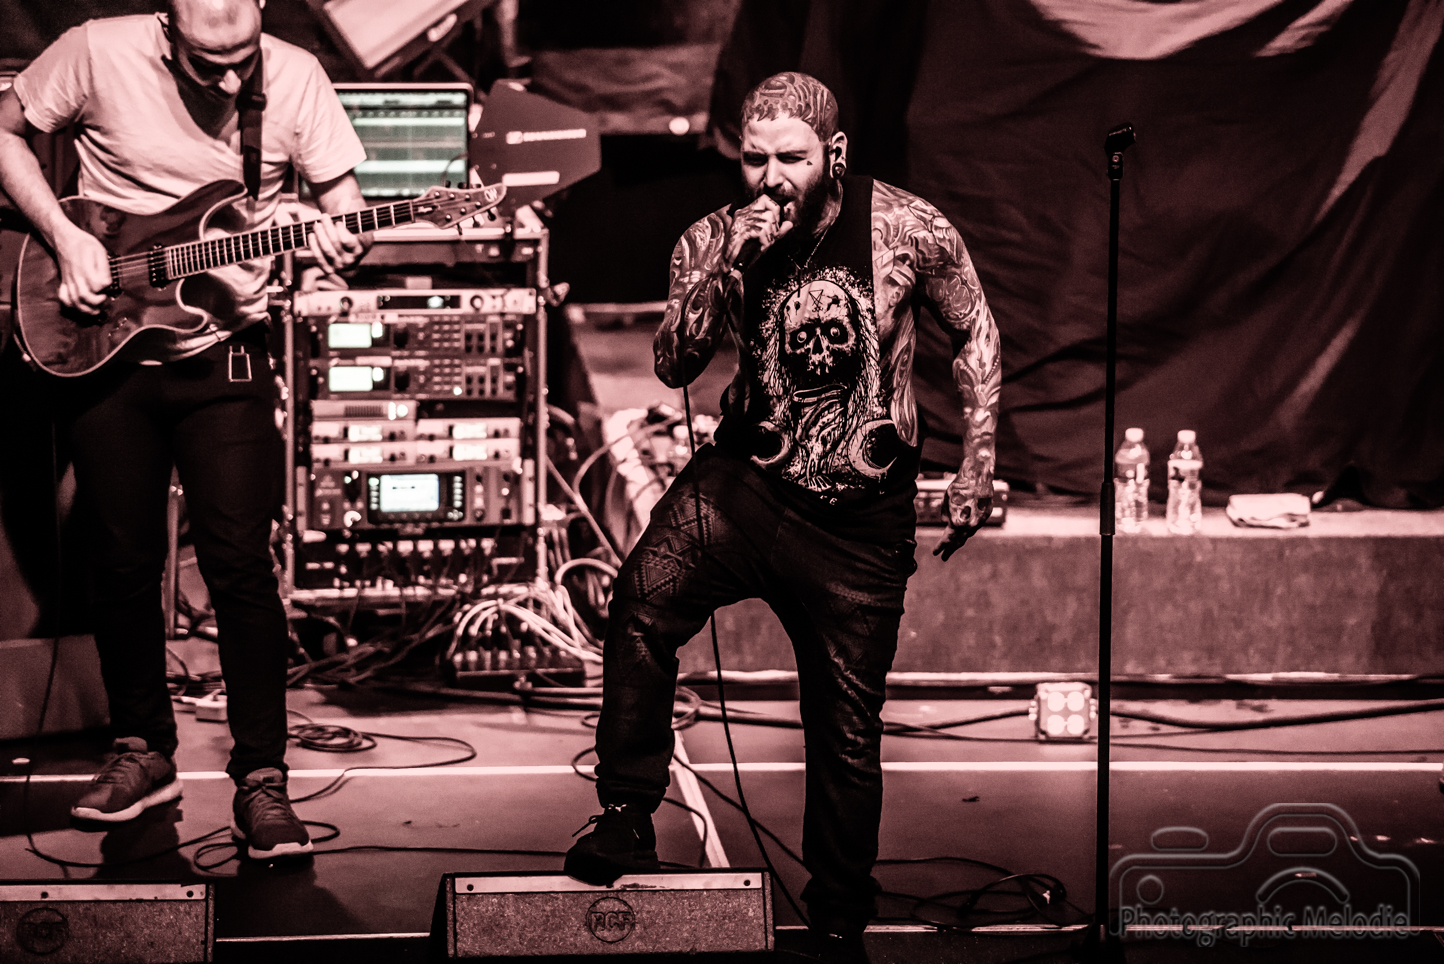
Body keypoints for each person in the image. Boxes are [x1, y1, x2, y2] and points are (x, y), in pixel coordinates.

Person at [565, 72, 1001, 960]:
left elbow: (976, 330)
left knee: (845, 728)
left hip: (861, 516)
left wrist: (979, 460)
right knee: (641, 601)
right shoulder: (712, 238)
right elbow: (674, 366)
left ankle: (839, 913)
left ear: (832, 154)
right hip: (746, 485)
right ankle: (627, 813)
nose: (770, 178)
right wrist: (724, 269)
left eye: (791, 159)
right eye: (754, 159)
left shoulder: (906, 227)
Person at [0, 0, 368, 860]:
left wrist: (342, 236)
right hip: (104, 346)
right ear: (167, 31)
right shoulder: (94, 52)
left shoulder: (296, 76)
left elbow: (339, 199)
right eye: (209, 61)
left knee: (242, 568)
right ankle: (142, 750)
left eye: (243, 55)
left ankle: (263, 777)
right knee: (121, 561)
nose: (231, 79)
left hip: (224, 355)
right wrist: (65, 237)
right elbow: (4, 132)